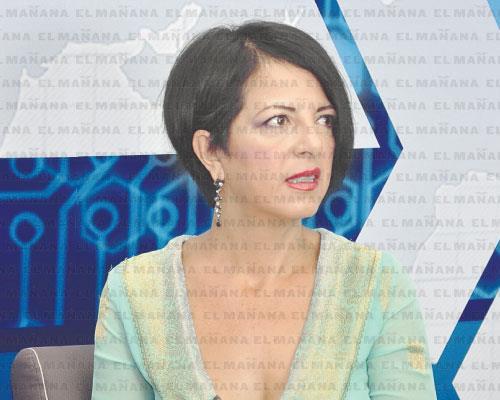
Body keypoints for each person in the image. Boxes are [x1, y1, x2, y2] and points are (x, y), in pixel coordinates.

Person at [91, 20, 437, 399]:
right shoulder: (138, 292)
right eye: (278, 121)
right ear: (210, 151)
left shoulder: (375, 284)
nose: (312, 143)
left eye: (324, 120)